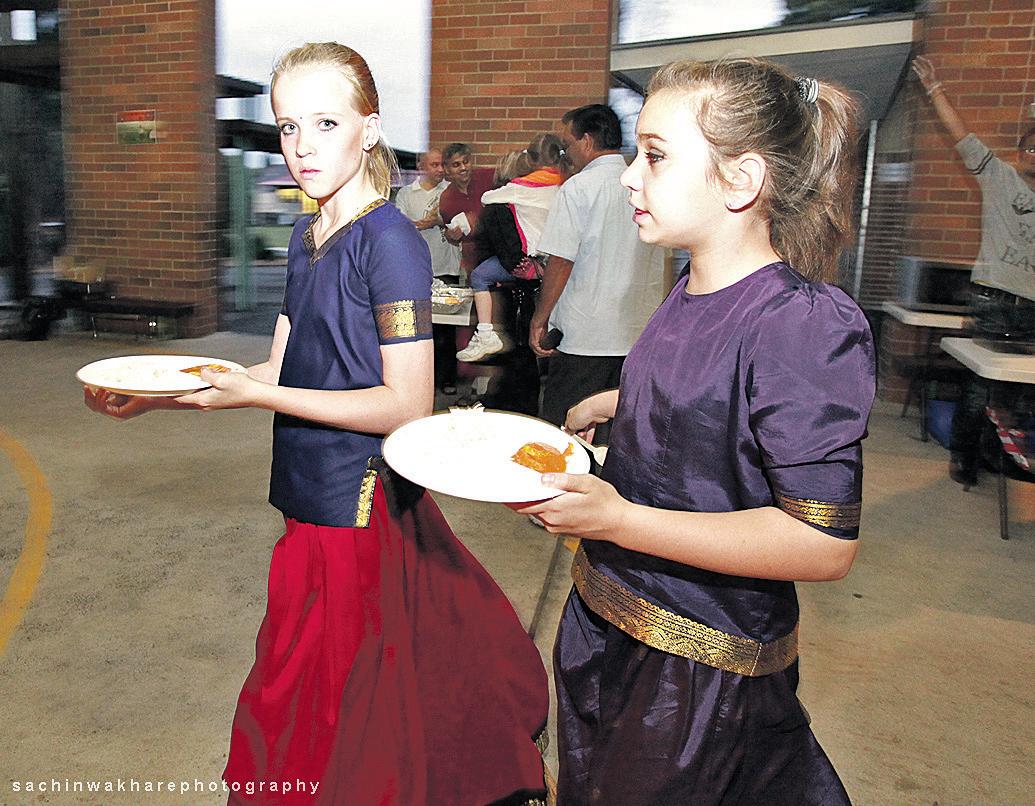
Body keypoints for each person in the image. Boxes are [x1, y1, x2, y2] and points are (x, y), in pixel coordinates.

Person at [84, 42, 549, 806]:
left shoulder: (388, 243)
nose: (301, 146)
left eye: (325, 122)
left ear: (370, 129)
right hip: (305, 491)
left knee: (340, 688)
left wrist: (255, 398)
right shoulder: (307, 239)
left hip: (353, 503)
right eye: (287, 126)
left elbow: (405, 404)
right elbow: (277, 368)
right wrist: (156, 396)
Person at [517, 58, 876, 804]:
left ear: (740, 181)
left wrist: (618, 519)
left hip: (697, 675)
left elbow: (821, 542)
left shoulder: (802, 325)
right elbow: (717, 390)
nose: (628, 177)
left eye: (654, 156)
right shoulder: (689, 284)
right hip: (609, 617)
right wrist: (626, 400)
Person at [912, 56, 1035, 486]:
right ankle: (964, 459)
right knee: (980, 385)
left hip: (1032, 306)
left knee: (1020, 391)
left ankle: (997, 455)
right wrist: (935, 89)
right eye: (1031, 148)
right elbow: (962, 135)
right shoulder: (999, 176)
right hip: (993, 298)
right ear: (1019, 153)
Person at [530, 104, 666, 439]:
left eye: (568, 144)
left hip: (585, 338)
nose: (566, 153)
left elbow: (561, 262)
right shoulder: (650, 187)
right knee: (617, 437)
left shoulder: (579, 188)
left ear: (587, 141)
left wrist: (539, 319)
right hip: (636, 335)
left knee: (564, 434)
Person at [457, 134, 565, 362]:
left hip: (529, 262)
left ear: (532, 161)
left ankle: (485, 333)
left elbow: (487, 198)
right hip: (558, 263)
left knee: (479, 276)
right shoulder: (566, 185)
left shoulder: (519, 189)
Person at [394, 148, 462, 394]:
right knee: (419, 328)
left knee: (447, 330)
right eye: (434, 165)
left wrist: (439, 222)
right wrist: (420, 225)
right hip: (416, 270)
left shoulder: (451, 191)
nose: (440, 169)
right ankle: (421, 381)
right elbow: (399, 226)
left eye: (442, 164)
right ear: (421, 166)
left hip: (447, 268)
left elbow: (459, 225)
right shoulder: (406, 193)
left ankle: (447, 379)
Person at [437, 142, 496, 277]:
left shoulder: (490, 177)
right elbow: (453, 235)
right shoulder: (446, 199)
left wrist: (479, 219)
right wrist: (451, 236)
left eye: (466, 162)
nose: (463, 168)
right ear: (446, 169)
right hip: (475, 261)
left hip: (502, 253)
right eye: (456, 165)